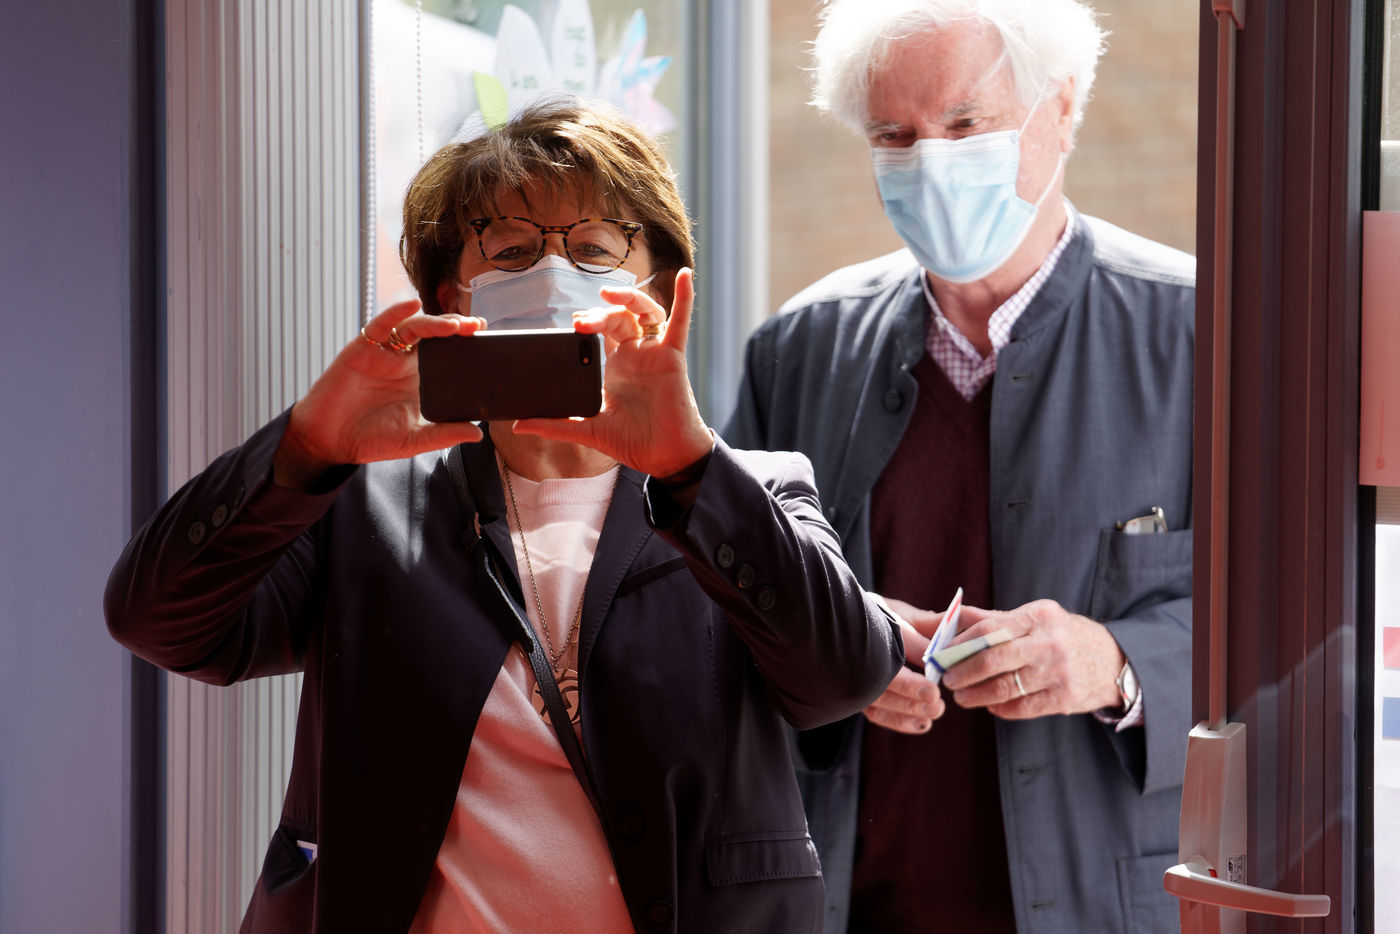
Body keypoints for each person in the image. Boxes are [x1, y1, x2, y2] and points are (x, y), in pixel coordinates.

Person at [105, 98, 903, 934]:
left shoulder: (753, 494)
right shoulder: (362, 508)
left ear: (661, 293)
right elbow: (158, 621)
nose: (553, 273)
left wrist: (690, 465)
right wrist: (307, 443)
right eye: (512, 251)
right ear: (452, 297)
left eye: (593, 248)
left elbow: (842, 679)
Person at [724, 2, 1194, 931]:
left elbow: (1308, 629)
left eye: (967, 124)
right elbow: (713, 617)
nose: (930, 162)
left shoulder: (1204, 337)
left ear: (1062, 110)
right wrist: (831, 649)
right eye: (894, 136)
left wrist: (1117, 663)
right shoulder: (800, 351)